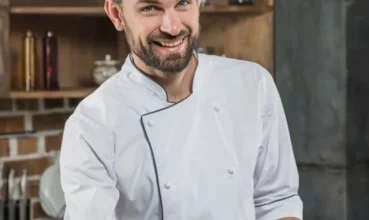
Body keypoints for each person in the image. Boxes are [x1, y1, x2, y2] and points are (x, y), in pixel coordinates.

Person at [59, 0, 303, 219]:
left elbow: (277, 202)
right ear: (117, 14)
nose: (172, 27)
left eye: (182, 3)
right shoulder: (91, 124)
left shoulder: (252, 83)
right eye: (150, 8)